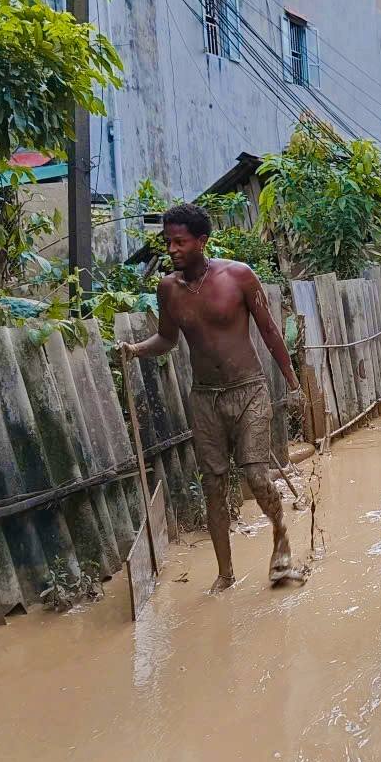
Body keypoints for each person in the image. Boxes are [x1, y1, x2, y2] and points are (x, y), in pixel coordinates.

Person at [120, 203, 303, 594]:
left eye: (180, 242)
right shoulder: (168, 289)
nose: (172, 249)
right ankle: (225, 574)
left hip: (249, 389)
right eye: (168, 242)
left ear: (202, 241)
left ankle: (280, 532)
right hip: (205, 399)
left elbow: (270, 331)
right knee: (214, 486)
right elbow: (168, 339)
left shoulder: (238, 276)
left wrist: (292, 382)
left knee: (255, 475)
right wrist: (136, 349)